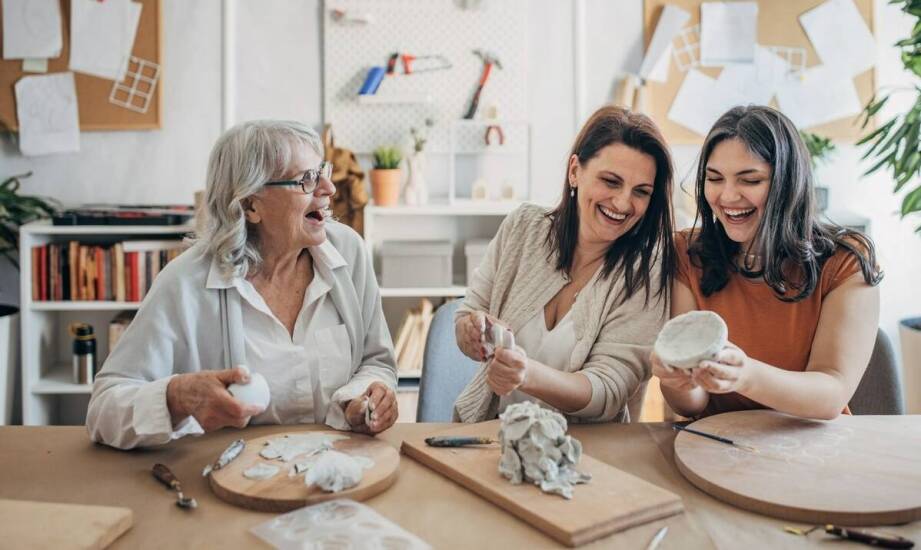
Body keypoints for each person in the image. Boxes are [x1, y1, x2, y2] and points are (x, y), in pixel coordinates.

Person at [87, 120, 398, 449]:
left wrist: (361, 401)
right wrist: (176, 397)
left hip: (339, 469)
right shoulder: (184, 283)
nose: (329, 188)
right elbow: (104, 409)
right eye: (307, 179)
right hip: (232, 479)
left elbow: (375, 361)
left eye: (323, 170)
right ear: (251, 205)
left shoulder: (348, 251)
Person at [652, 105, 882, 420]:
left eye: (750, 180)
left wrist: (746, 376)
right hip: (716, 446)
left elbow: (831, 393)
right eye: (715, 178)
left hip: (812, 447)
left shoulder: (846, 263)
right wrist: (678, 380)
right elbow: (690, 404)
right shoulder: (687, 254)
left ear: (787, 184)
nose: (727, 196)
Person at [453, 106, 676, 423]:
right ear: (575, 171)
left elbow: (608, 391)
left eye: (641, 192)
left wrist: (526, 374)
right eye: (611, 181)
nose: (624, 203)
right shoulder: (523, 227)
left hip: (583, 457)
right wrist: (471, 331)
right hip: (490, 436)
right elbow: (466, 317)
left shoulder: (645, 275)